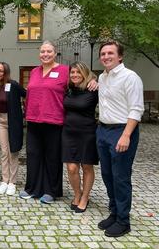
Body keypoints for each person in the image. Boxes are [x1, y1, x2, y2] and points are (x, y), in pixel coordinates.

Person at [21, 40, 97, 204]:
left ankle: (51, 190)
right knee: (33, 155)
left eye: (49, 51)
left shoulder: (64, 70)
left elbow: (81, 75)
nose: (45, 54)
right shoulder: (34, 71)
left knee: (52, 157)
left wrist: (94, 80)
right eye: (42, 51)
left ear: (55, 53)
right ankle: (32, 188)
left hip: (55, 120)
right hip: (33, 120)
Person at [96, 40, 144, 237]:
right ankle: (114, 212)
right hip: (103, 130)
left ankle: (123, 221)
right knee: (107, 175)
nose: (106, 57)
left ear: (120, 56)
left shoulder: (130, 78)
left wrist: (126, 135)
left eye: (110, 53)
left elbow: (136, 109)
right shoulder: (102, 77)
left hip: (123, 131)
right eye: (103, 54)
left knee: (121, 177)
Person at [61, 61, 98, 213]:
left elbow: (108, 80)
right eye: (72, 72)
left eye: (78, 72)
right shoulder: (69, 90)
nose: (75, 75)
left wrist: (96, 80)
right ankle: (77, 193)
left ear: (85, 74)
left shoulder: (93, 89)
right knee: (71, 167)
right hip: (69, 132)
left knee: (87, 166)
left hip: (87, 132)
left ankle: (85, 197)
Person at [0, 62, 26, 196]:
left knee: (13, 151)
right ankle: (4, 181)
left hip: (13, 122)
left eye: (1, 71)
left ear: (5, 73)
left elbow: (27, 94)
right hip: (0, 121)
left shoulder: (13, 85)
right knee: (4, 152)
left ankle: (12, 182)